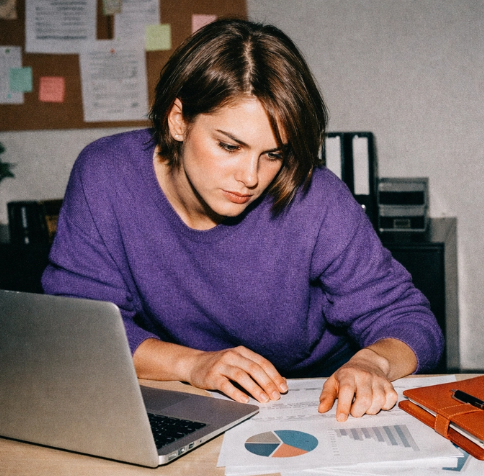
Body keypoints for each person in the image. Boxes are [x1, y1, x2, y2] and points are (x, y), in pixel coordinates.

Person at [42, 18, 443, 422]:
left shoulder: (314, 198)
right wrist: (193, 365)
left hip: (318, 399)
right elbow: (83, 327)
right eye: (230, 146)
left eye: (273, 154)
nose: (251, 178)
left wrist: (373, 363)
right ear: (177, 119)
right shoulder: (106, 174)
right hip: (189, 392)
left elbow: (410, 321)